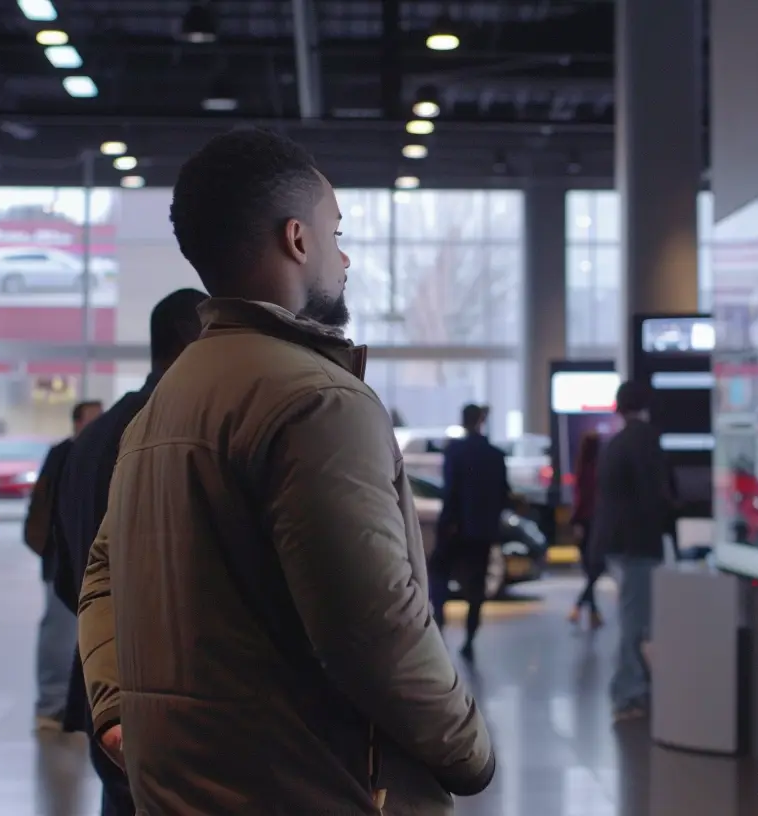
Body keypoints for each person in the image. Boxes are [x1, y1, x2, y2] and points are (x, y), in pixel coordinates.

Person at [77, 127, 494, 814]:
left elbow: (102, 578)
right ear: (298, 239)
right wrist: (469, 750)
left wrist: (117, 707)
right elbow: (372, 627)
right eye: (336, 231)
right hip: (312, 786)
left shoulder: (169, 398)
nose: (346, 255)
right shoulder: (316, 400)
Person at [51, 289, 207, 816]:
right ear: (195, 338)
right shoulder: (178, 428)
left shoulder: (91, 437)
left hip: (101, 681)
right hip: (165, 692)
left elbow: (60, 570)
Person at [591, 381, 675, 723]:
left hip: (615, 543)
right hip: (640, 543)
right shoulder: (647, 443)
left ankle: (635, 687)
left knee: (633, 617)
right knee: (636, 621)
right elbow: (657, 495)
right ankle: (628, 693)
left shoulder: (615, 445)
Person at [24, 399, 101, 731]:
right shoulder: (63, 455)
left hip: (87, 556)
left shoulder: (95, 452)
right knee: (60, 630)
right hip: (62, 557)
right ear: (77, 423)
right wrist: (48, 550)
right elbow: (43, 507)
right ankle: (51, 705)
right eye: (93, 419)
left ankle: (76, 706)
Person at [430, 403, 511, 658]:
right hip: (482, 531)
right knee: (476, 588)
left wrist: (448, 523)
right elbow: (502, 495)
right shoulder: (495, 455)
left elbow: (450, 491)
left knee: (439, 576)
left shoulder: (455, 451)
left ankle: (439, 627)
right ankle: (469, 640)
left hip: (455, 530)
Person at [567, 430, 604, 629]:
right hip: (596, 523)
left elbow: (579, 499)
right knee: (595, 570)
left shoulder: (581, 469)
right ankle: (582, 608)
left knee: (591, 570)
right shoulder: (599, 471)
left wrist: (576, 522)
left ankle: (591, 612)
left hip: (584, 523)